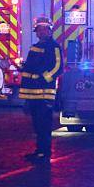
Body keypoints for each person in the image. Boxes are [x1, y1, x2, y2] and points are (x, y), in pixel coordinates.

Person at [19, 16, 63, 163]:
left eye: (44, 29)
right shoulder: (34, 47)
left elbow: (58, 67)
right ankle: (39, 151)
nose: (41, 32)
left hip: (45, 94)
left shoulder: (54, 47)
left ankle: (44, 153)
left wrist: (43, 78)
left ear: (50, 31)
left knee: (44, 126)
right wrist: (22, 68)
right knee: (37, 126)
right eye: (39, 30)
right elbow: (30, 68)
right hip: (32, 94)